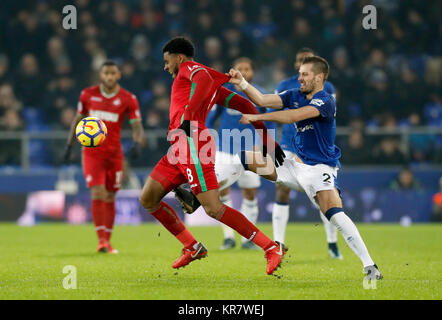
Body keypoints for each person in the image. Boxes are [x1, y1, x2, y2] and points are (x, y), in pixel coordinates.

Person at [225, 55, 382, 280]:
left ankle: (370, 266)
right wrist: (242, 83)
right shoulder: (295, 95)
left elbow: (294, 116)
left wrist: (256, 117)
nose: (299, 78)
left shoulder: (325, 100)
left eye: (305, 74)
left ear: (319, 77)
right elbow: (261, 98)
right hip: (294, 166)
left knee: (334, 214)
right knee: (245, 158)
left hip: (320, 170)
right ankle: (200, 192)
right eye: (299, 74)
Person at [138, 37, 286, 275]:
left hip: (194, 145)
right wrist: (268, 141)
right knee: (148, 198)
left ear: (179, 58)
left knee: (214, 208)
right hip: (178, 148)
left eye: (167, 62)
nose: (165, 67)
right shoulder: (210, 89)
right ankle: (192, 246)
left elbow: (204, 77)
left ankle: (270, 247)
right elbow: (248, 108)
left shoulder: (192, 70)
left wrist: (188, 115)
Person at [64, 60, 145, 254]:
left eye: (113, 73)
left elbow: (137, 126)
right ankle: (101, 241)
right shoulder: (88, 95)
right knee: (98, 193)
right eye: (106, 73)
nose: (109, 77)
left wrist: (137, 143)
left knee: (110, 195)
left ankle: (107, 241)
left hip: (114, 154)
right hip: (92, 154)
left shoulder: (128, 98)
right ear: (101, 75)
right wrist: (69, 145)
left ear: (118, 75)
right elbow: (77, 120)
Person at [273, 48, 342, 259]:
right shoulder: (285, 86)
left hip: (313, 147)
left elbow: (327, 117)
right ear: (296, 64)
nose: (302, 64)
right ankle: (278, 243)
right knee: (282, 189)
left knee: (324, 197)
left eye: (307, 60)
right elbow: (271, 113)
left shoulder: (326, 88)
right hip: (288, 144)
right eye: (300, 60)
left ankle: (332, 244)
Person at [206, 57, 276, 250]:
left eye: (247, 68)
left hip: (251, 150)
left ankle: (247, 240)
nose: (244, 72)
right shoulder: (224, 93)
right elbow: (210, 119)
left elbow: (269, 120)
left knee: (250, 193)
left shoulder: (260, 94)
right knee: (220, 191)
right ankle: (228, 237)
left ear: (253, 72)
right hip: (225, 149)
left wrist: (267, 146)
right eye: (240, 69)